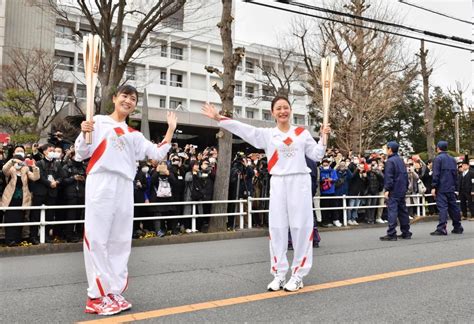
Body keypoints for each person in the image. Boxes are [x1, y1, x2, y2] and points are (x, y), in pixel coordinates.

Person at [202, 96, 330, 292]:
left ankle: (298, 275)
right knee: (277, 228)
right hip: (278, 181)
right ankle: (279, 274)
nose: (282, 111)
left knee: (301, 228)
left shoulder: (301, 133)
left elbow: (317, 155)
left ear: (290, 110)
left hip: (299, 182)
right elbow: (243, 129)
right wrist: (220, 118)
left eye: (285, 107)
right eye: (278, 108)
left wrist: (323, 137)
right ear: (272, 112)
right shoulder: (268, 135)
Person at [75, 85, 177, 316]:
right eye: (124, 96)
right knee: (98, 237)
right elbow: (81, 153)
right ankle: (96, 295)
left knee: (120, 240)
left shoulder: (134, 134)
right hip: (101, 181)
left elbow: (157, 153)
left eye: (133, 98)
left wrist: (170, 130)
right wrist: (84, 132)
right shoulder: (99, 121)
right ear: (114, 98)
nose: (128, 101)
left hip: (124, 184)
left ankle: (113, 291)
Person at [1, 146, 40, 246]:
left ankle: (17, 240)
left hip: (22, 198)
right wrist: (12, 161)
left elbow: (35, 178)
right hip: (10, 198)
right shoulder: (11, 168)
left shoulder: (25, 168)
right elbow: (4, 169)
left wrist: (35, 167)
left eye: (21, 152)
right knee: (10, 219)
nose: (19, 160)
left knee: (20, 218)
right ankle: (9, 240)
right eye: (18, 152)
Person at [380, 141, 412, 241]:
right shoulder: (400, 160)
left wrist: (387, 189)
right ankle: (406, 232)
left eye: (386, 148)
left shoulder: (390, 161)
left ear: (390, 149)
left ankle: (391, 233)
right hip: (402, 189)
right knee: (403, 211)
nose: (385, 150)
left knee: (392, 211)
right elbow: (405, 175)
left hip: (394, 190)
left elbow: (389, 177)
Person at [430, 141, 463, 235]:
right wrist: (455, 187)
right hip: (451, 187)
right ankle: (457, 226)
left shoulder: (438, 159)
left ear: (438, 148)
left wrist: (434, 186)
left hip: (441, 187)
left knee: (442, 207)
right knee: (453, 207)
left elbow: (436, 174)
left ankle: (442, 228)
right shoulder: (452, 159)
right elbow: (455, 175)